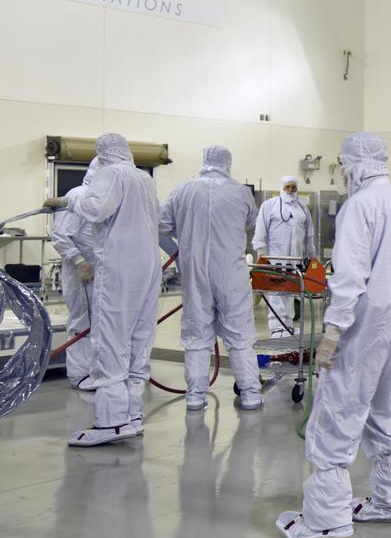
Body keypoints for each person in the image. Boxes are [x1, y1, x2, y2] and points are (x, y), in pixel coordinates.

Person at [277, 133, 391, 538]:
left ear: (357, 164)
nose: (341, 174)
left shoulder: (359, 206)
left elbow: (349, 277)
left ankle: (326, 518)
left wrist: (333, 331)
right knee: (379, 409)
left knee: (337, 412)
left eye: (343, 165)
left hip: (361, 321)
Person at [46, 133, 161, 446]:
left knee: (109, 339)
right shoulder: (144, 178)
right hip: (147, 268)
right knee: (139, 340)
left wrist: (67, 201)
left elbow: (97, 209)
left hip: (119, 267)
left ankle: (110, 421)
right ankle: (132, 415)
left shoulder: (110, 174)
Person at [158, 146, 262, 411]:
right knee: (239, 334)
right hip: (231, 272)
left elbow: (162, 225)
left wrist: (187, 237)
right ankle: (250, 394)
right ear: (228, 163)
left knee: (197, 333)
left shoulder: (182, 191)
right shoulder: (241, 192)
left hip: (195, 273)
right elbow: (250, 223)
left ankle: (195, 396)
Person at [49, 158, 100, 390]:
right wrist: (80, 262)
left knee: (100, 322)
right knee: (82, 321)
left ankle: (98, 371)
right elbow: (60, 234)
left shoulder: (104, 200)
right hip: (82, 273)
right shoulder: (79, 196)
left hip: (102, 273)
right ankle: (79, 374)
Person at [252, 175, 313, 340]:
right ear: (282, 187)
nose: (291, 190)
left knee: (290, 293)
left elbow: (309, 235)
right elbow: (260, 230)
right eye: (288, 187)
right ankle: (277, 328)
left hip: (295, 260)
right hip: (274, 258)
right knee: (276, 294)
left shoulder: (302, 209)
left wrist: (310, 256)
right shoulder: (269, 206)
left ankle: (288, 326)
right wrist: (261, 254)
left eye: (293, 187)